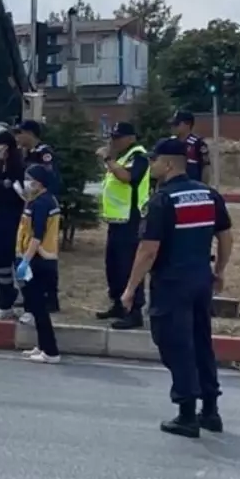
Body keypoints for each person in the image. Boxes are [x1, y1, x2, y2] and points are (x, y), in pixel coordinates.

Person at [121, 137, 233, 437]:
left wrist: (131, 288)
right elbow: (225, 234)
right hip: (200, 280)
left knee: (175, 344)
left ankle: (186, 414)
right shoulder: (209, 195)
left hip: (172, 284)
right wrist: (219, 269)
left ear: (168, 164)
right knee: (201, 342)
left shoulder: (163, 200)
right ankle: (210, 410)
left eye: (155, 160)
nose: (152, 164)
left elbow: (148, 250)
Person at [96, 120, 151, 330]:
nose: (114, 141)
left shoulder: (139, 156)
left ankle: (135, 311)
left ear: (131, 138)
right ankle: (118, 304)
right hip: (117, 220)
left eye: (118, 138)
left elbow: (128, 178)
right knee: (114, 266)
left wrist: (108, 158)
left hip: (132, 219)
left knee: (129, 266)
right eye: (112, 138)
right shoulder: (122, 156)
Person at [16, 163, 61, 363]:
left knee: (40, 308)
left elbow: (37, 236)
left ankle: (50, 352)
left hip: (40, 260)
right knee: (35, 306)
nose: (26, 182)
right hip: (38, 259)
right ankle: (42, 346)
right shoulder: (40, 200)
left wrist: (25, 261)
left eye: (29, 178)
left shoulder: (43, 204)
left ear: (38, 182)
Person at [0, 129, 25, 311]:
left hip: (12, 216)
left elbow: (17, 189)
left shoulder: (17, 165)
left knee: (14, 258)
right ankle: (5, 296)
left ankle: (28, 299)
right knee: (0, 258)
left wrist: (4, 185)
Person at [14, 120, 58, 194]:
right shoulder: (25, 153)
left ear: (30, 134)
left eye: (20, 133)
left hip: (41, 199)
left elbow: (52, 179)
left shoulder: (43, 152)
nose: (17, 137)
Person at [171, 109, 210, 183]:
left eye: (177, 124)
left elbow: (206, 167)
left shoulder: (197, 143)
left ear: (187, 124)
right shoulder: (170, 143)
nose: (174, 127)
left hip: (193, 184)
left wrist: (204, 186)